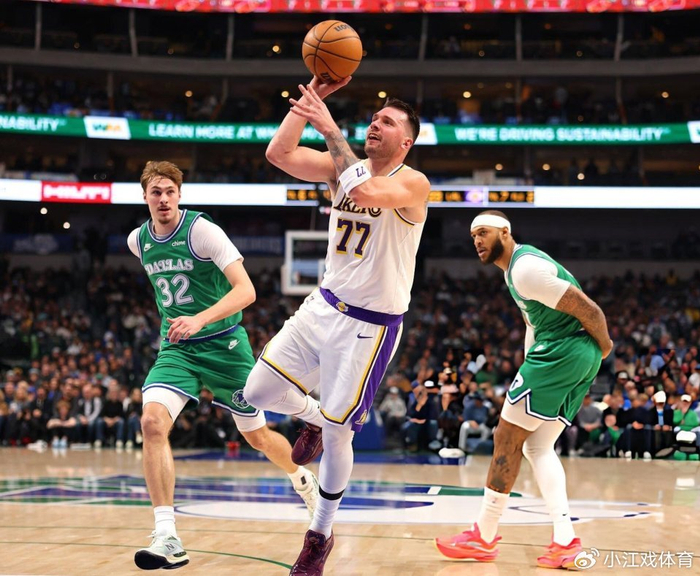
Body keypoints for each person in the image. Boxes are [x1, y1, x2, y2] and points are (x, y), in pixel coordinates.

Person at [243, 76, 430, 575]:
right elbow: (278, 154)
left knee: (340, 432)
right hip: (323, 305)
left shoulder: (413, 183)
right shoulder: (340, 168)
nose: (375, 123)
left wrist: (329, 130)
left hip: (370, 326)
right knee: (256, 392)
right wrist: (313, 100)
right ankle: (313, 416)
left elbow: (365, 190)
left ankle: (319, 535)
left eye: (387, 121)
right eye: (375, 117)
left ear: (406, 142)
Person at [128, 161, 319, 570]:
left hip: (224, 345)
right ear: (144, 196)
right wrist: (184, 323)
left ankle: (302, 479)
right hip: (178, 348)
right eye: (156, 192)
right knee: (152, 423)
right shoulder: (138, 241)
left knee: (258, 438)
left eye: (170, 191)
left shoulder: (201, 230)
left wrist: (199, 318)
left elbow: (246, 290)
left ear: (180, 194)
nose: (163, 198)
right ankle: (167, 535)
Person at [435, 210, 613, 569]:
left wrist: (605, 347)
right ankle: (565, 541)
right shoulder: (514, 270)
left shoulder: (525, 269)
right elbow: (535, 323)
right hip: (574, 353)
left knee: (506, 436)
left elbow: (590, 310)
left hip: (564, 350)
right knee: (537, 446)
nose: (477, 241)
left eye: (483, 232)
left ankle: (484, 535)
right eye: (473, 236)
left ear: (505, 232)